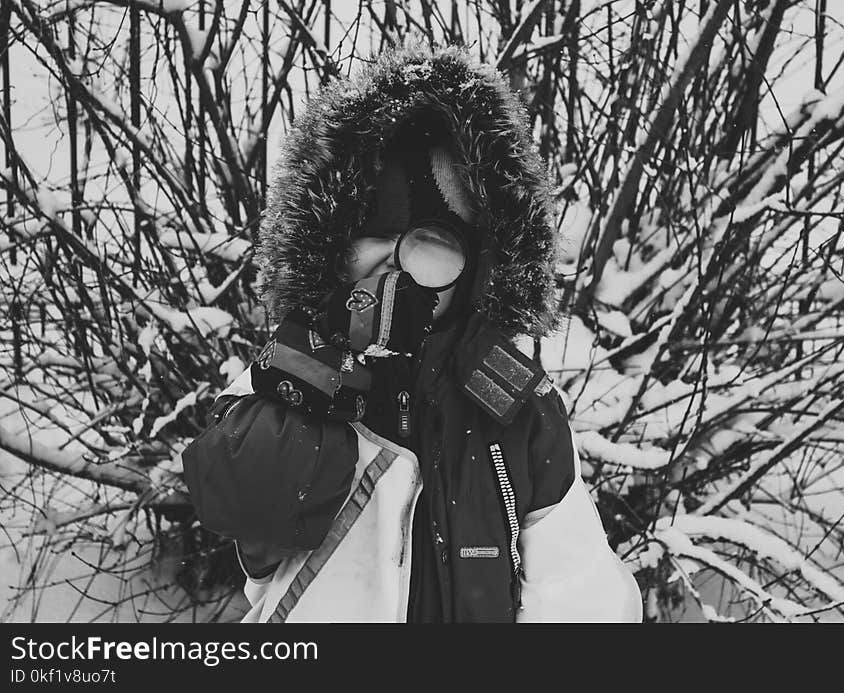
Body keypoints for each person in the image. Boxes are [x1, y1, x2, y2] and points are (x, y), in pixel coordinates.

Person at [182, 44, 643, 623]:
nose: (398, 266)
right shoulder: (288, 369)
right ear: (332, 247)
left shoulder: (514, 406)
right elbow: (247, 501)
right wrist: (336, 362)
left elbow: (582, 598)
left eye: (434, 241)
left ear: (477, 266)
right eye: (375, 232)